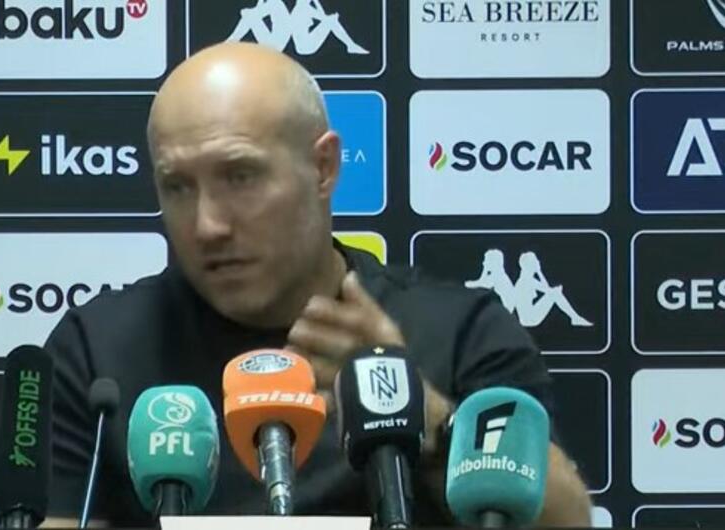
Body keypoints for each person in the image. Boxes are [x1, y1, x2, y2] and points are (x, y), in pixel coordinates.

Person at [43, 42, 592, 527]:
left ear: (323, 167)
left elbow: (568, 521)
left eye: (240, 176)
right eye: (178, 186)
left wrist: (419, 413)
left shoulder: (461, 331)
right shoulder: (97, 354)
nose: (208, 225)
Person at [226, 0, 370, 55]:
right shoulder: (277, 4)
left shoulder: (302, 6)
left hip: (304, 45)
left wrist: (326, 18)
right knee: (261, 11)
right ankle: (229, 43)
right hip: (275, 44)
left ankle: (351, 46)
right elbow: (258, 9)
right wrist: (252, 12)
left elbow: (319, 14)